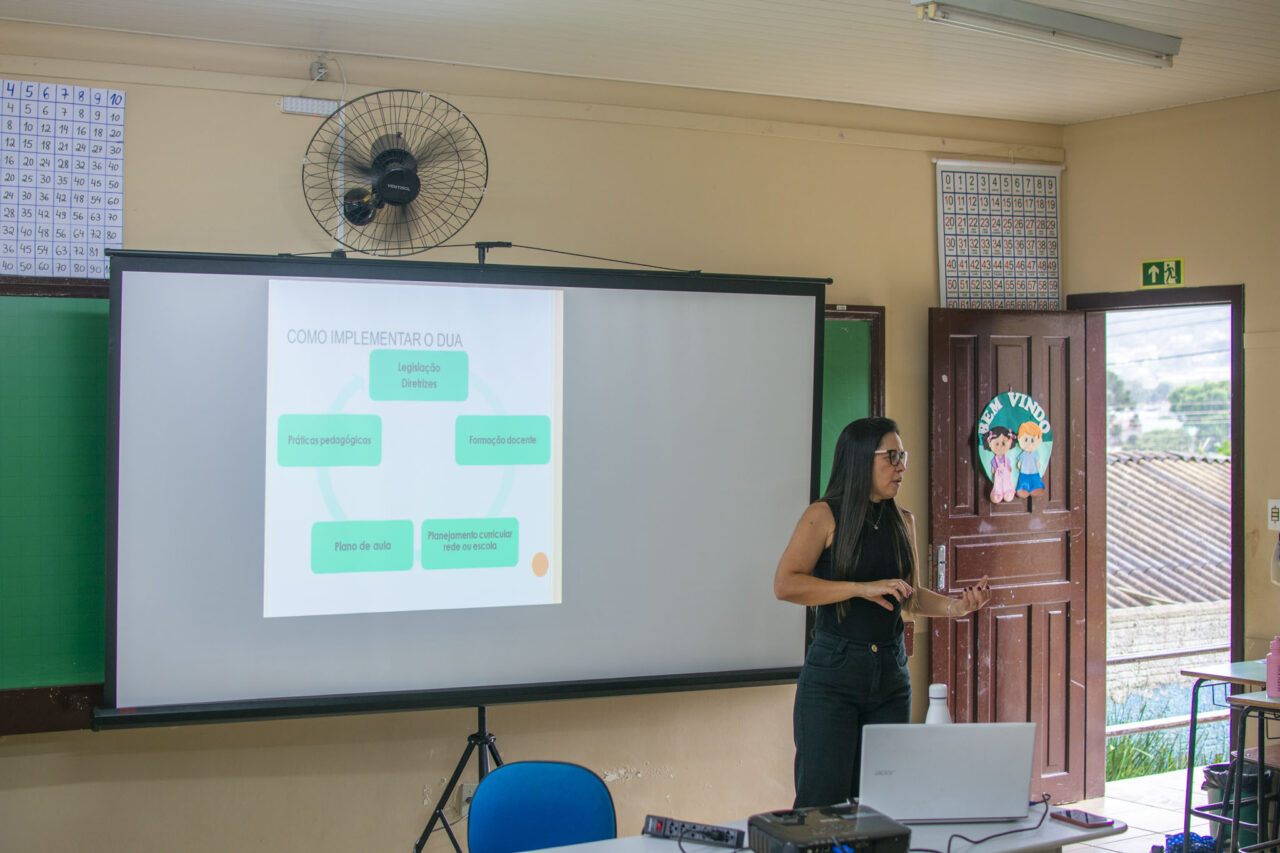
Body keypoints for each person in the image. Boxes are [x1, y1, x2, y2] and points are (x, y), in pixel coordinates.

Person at [773, 417, 992, 808]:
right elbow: (786, 584)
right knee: (822, 806)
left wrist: (955, 607)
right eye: (891, 456)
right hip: (833, 676)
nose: (901, 466)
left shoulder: (903, 520)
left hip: (891, 676)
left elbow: (908, 597)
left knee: (882, 804)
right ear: (860, 459)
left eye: (902, 456)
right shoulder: (823, 516)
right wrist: (860, 588)